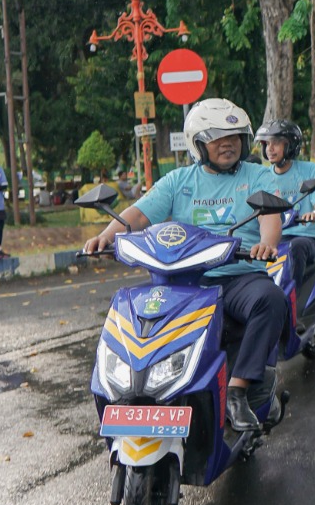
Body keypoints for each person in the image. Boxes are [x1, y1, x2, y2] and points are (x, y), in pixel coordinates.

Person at [82, 98, 289, 431]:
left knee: (271, 299)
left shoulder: (258, 176)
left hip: (238, 278)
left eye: (234, 137)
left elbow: (270, 218)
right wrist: (106, 236)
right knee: (133, 314)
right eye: (218, 138)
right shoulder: (178, 181)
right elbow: (138, 215)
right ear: (198, 144)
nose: (228, 144)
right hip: (184, 283)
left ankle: (237, 391)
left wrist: (267, 243)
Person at [253, 119, 315, 291]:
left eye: (276, 143)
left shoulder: (309, 170)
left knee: (295, 247)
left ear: (290, 146)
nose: (270, 149)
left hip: (305, 237)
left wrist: (314, 214)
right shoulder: (263, 176)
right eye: (267, 144)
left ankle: (292, 297)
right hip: (275, 238)